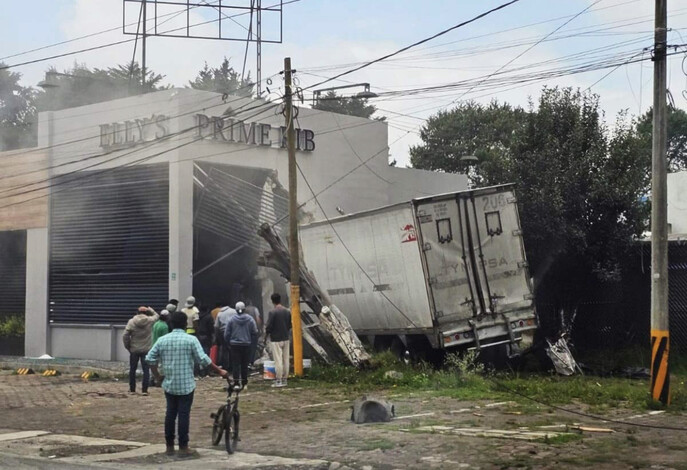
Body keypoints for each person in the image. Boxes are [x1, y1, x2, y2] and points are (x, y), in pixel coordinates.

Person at [146, 311, 227, 456]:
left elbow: (150, 358)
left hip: (169, 384)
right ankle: (183, 447)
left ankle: (169, 446)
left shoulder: (163, 340)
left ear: (170, 324)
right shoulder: (191, 340)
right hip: (186, 385)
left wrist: (157, 376)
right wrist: (220, 371)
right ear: (185, 324)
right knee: (184, 414)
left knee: (170, 414)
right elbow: (203, 360)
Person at [123, 306, 159, 395]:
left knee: (132, 369)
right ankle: (144, 390)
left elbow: (125, 336)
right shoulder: (150, 321)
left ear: (137, 312)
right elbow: (157, 315)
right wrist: (150, 309)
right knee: (146, 370)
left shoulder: (131, 322)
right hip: (146, 349)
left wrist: (128, 346)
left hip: (134, 349)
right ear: (146, 313)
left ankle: (132, 389)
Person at [224, 301, 258, 389]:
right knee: (244, 364)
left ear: (236, 309)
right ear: (244, 309)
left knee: (236, 364)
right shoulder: (250, 319)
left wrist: (228, 342)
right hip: (246, 344)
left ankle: (236, 383)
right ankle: (244, 382)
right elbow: (255, 331)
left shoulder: (231, 320)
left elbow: (226, 333)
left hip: (234, 345)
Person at [266, 293, 291, 388]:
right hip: (285, 337)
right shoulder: (287, 311)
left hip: (276, 339)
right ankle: (285, 379)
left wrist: (266, 335)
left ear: (272, 301)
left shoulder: (272, 312)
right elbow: (290, 325)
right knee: (286, 359)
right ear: (280, 299)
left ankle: (279, 380)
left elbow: (269, 326)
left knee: (278, 360)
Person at [214, 303, 237, 371]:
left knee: (225, 349)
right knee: (233, 349)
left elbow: (216, 326)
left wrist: (216, 335)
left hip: (223, 332)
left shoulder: (220, 313)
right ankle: (233, 366)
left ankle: (225, 366)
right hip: (233, 332)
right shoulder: (234, 311)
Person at [196, 306, 215, 377]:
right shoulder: (208, 317)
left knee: (199, 353)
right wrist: (213, 336)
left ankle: (200, 371)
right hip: (206, 336)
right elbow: (211, 328)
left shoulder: (197, 316)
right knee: (206, 353)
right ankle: (206, 370)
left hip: (199, 335)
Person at [244, 299, 263, 367]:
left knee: (246, 346)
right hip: (253, 330)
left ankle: (246, 361)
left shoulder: (243, 310)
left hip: (245, 331)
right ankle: (251, 362)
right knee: (253, 346)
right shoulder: (255, 309)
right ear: (251, 302)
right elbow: (258, 319)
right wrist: (259, 328)